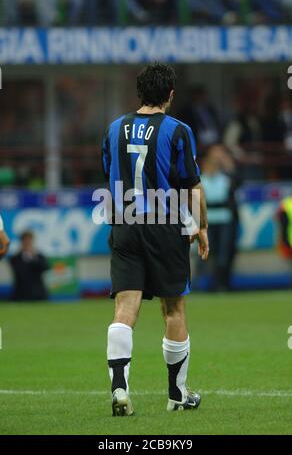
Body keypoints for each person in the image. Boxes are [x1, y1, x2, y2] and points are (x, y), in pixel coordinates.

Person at [101, 63, 209, 416]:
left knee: (124, 307)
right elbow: (193, 186)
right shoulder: (178, 130)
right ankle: (177, 396)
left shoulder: (114, 128)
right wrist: (202, 226)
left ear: (139, 92)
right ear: (170, 94)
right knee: (173, 308)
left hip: (124, 223)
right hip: (164, 224)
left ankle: (119, 390)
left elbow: (110, 174)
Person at [198, 144, 239, 291]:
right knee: (211, 253)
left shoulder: (225, 179)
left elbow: (236, 186)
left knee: (223, 253)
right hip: (208, 222)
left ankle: (222, 284)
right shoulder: (200, 180)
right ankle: (211, 284)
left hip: (224, 219)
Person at [9, 231, 50, 302]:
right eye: (25, 241)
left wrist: (33, 257)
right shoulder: (15, 258)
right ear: (21, 242)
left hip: (39, 295)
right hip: (21, 295)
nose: (27, 243)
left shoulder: (39, 256)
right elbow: (19, 272)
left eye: (29, 241)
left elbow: (46, 268)